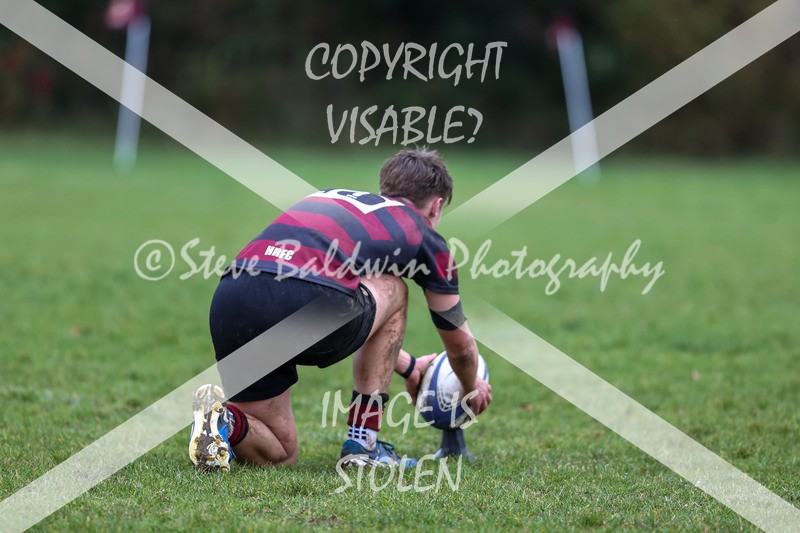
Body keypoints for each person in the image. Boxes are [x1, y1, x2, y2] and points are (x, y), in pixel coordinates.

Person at [188, 148, 492, 472]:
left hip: (233, 295)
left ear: (385, 190)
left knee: (279, 453)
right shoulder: (426, 235)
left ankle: (222, 421)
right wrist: (471, 386)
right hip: (305, 294)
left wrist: (410, 366)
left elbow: (337, 309)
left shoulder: (328, 197)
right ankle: (363, 445)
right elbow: (458, 345)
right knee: (395, 288)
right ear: (437, 205)